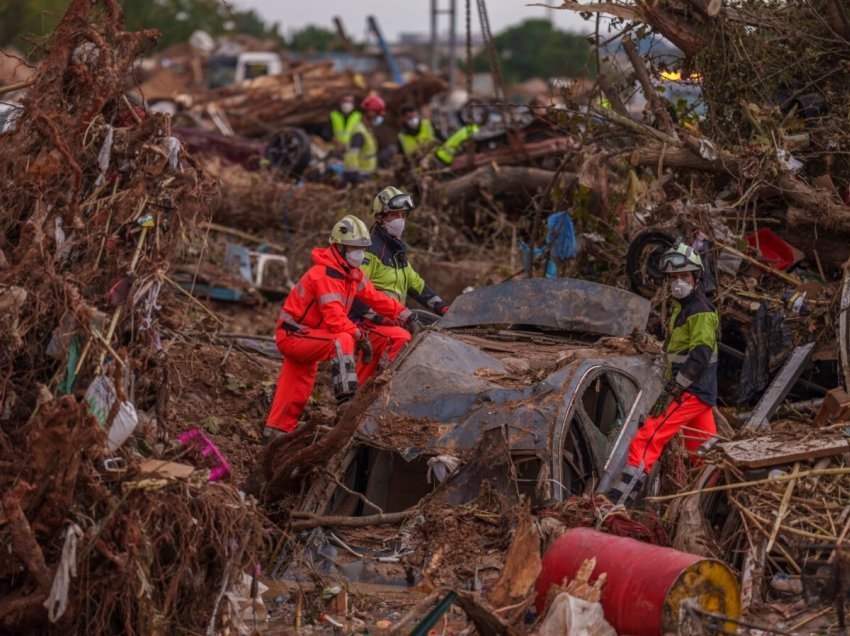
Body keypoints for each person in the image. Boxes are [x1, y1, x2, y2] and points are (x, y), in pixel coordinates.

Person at [264, 215, 416, 438]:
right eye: (355, 248)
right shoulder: (324, 275)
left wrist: (407, 315)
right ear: (340, 247)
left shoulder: (350, 274)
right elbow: (335, 320)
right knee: (342, 339)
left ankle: (276, 431)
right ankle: (346, 399)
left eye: (362, 248)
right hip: (294, 335)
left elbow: (376, 298)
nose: (360, 254)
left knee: (297, 388)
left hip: (307, 335)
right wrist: (360, 335)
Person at [606, 243, 719, 505]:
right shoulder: (684, 306)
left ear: (696, 278)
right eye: (673, 278)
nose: (678, 283)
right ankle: (713, 502)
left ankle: (618, 503)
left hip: (690, 390)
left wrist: (675, 388)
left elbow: (700, 355)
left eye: (684, 277)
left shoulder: (700, 310)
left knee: (647, 439)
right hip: (699, 392)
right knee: (704, 454)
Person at [351, 186, 451, 383]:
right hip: (371, 322)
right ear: (379, 218)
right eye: (394, 215)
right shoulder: (371, 250)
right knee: (397, 344)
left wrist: (444, 308)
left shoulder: (397, 253)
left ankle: (369, 394)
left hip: (394, 319)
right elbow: (356, 292)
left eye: (403, 215)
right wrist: (380, 319)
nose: (400, 220)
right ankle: (376, 391)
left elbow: (417, 285)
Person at [343, 94, 385, 184]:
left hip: (367, 176)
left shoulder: (367, 131)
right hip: (359, 178)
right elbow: (352, 156)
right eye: (378, 113)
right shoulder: (360, 132)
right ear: (370, 112)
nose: (379, 117)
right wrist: (355, 177)